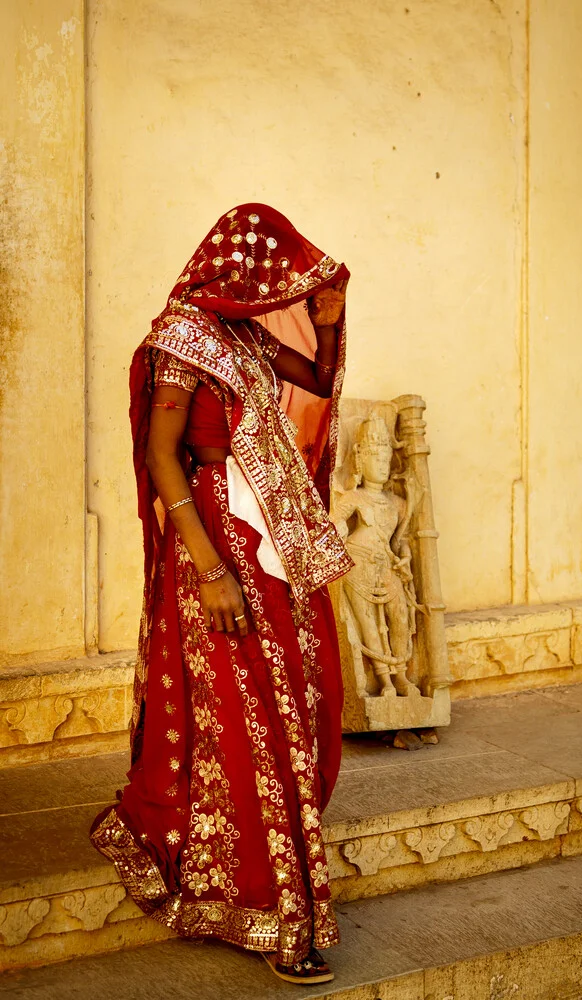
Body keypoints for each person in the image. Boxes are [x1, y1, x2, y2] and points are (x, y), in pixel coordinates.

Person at [90, 204, 353, 985]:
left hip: (269, 535)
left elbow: (313, 380)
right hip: (216, 535)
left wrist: (327, 322)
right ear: (237, 265)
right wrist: (209, 570)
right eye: (277, 272)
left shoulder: (241, 335)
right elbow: (161, 456)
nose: (281, 287)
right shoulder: (184, 336)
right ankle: (273, 909)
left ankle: (279, 868)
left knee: (289, 702)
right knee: (249, 713)